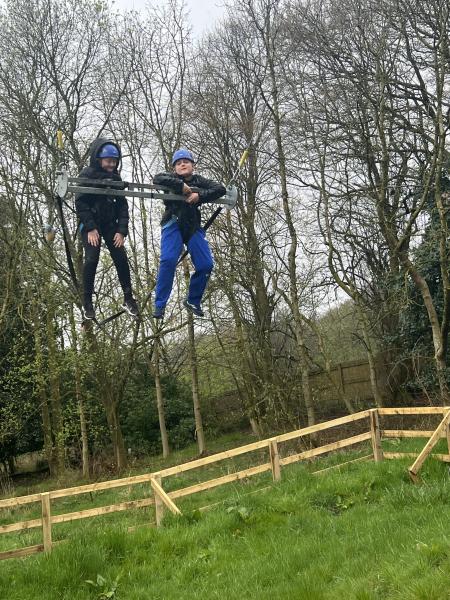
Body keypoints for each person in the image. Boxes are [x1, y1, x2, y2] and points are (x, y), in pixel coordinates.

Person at [152, 149, 226, 319]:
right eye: (178, 163)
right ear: (174, 168)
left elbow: (219, 189)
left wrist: (199, 196)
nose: (182, 165)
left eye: (186, 162)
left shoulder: (199, 181)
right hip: (173, 222)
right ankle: (160, 305)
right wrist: (181, 186)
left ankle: (193, 300)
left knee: (206, 264)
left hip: (192, 225)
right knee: (168, 260)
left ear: (193, 165)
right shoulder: (171, 178)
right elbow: (158, 178)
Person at [75, 138, 139, 320]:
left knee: (121, 257)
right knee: (91, 258)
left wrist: (121, 230)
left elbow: (122, 207)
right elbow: (80, 203)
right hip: (91, 224)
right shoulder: (87, 175)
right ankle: (87, 301)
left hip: (110, 224)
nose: (111, 165)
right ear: (99, 159)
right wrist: (90, 228)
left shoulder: (115, 179)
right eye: (108, 161)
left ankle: (128, 298)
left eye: (114, 162)